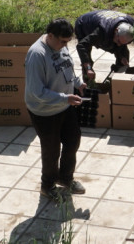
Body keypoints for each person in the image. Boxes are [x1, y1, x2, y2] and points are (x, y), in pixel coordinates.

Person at [25, 18, 86, 199]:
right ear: (50, 36)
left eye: (68, 42)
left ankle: (65, 178)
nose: (65, 45)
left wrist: (78, 83)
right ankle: (48, 185)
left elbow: (67, 68)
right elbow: (37, 92)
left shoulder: (60, 44)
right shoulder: (37, 55)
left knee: (73, 141)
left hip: (65, 106)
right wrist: (65, 98)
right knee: (51, 150)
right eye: (62, 41)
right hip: (44, 111)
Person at [73, 10, 134, 82]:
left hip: (109, 22)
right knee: (86, 59)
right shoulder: (101, 32)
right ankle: (88, 85)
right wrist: (88, 68)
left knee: (123, 54)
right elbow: (81, 46)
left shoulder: (132, 27)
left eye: (123, 43)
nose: (119, 44)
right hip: (84, 25)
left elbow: (121, 44)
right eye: (118, 41)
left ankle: (118, 81)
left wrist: (122, 57)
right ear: (116, 31)